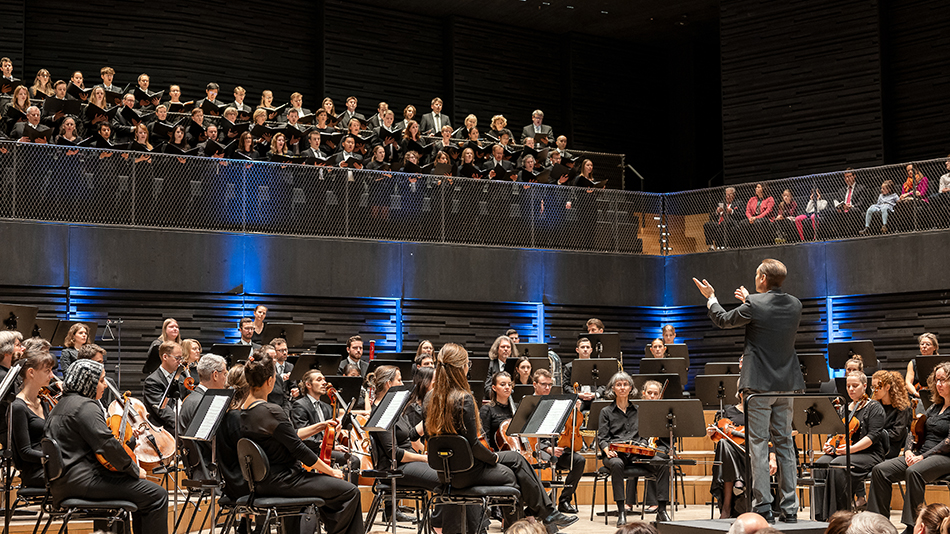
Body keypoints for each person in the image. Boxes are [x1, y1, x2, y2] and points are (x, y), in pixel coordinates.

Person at [693, 258, 803, 522]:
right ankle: (789, 509)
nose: (755, 278)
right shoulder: (795, 304)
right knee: (785, 444)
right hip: (786, 385)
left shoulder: (754, 303)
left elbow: (723, 319)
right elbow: (767, 315)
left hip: (759, 386)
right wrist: (750, 300)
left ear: (763, 278)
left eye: (757, 275)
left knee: (758, 446)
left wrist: (712, 298)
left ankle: (763, 505)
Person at [425, 343, 577, 533]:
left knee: (516, 458)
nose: (468, 368)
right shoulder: (463, 398)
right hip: (468, 473)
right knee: (514, 472)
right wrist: (494, 457)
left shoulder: (431, 398)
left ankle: (546, 514)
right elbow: (472, 445)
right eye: (467, 364)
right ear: (460, 368)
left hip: (445, 472)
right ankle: (544, 515)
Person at [239, 352, 363, 534]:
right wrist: (330, 471)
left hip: (262, 481)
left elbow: (289, 435)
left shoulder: (244, 411)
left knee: (334, 491)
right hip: (286, 480)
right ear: (270, 381)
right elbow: (299, 449)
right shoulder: (272, 411)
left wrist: (319, 426)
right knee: (350, 492)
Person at [44, 359, 168, 534]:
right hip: (84, 482)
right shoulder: (86, 406)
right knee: (157, 495)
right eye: (101, 380)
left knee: (146, 496)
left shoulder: (62, 405)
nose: (106, 386)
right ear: (88, 382)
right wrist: (133, 469)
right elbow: (108, 445)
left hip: (64, 482)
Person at [868, 361, 950, 534]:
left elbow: (948, 442)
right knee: (880, 470)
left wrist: (922, 457)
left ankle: (912, 526)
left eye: (943, 380)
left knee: (914, 472)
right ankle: (878, 524)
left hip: (944, 456)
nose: (938, 384)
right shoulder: (935, 407)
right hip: (921, 454)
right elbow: (913, 431)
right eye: (936, 380)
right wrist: (908, 451)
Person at [598, 371, 671, 525]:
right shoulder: (606, 412)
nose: (623, 387)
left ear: (631, 388)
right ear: (613, 388)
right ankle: (622, 512)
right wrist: (606, 450)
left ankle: (662, 510)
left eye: (626, 384)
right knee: (617, 464)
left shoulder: (639, 410)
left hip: (637, 454)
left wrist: (644, 445)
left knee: (663, 461)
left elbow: (644, 435)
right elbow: (602, 438)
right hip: (615, 454)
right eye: (619, 385)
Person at [813, 371, 884, 521]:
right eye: (848, 386)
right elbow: (834, 432)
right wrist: (829, 445)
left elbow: (873, 436)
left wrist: (850, 450)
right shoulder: (843, 408)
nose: (851, 389)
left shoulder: (874, 407)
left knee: (838, 465)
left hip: (869, 453)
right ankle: (820, 516)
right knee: (820, 465)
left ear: (865, 386)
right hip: (844, 451)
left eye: (855, 386)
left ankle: (839, 516)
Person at [707, 383, 777, 518]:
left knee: (724, 449)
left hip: (753, 453)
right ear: (740, 395)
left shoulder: (761, 413)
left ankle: (727, 506)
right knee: (723, 444)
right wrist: (711, 433)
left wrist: (772, 458)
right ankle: (731, 496)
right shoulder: (729, 411)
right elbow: (720, 433)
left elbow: (769, 437)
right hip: (732, 452)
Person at [290, 369, 360, 485]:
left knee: (350, 456)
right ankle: (348, 494)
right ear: (308, 385)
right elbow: (301, 435)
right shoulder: (300, 405)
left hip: (326, 449)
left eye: (324, 379)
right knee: (352, 461)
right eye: (319, 380)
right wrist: (324, 445)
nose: (324, 383)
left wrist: (334, 439)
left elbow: (330, 434)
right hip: (311, 451)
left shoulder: (327, 407)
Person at [532, 369, 585, 514]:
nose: (548, 388)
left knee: (579, 460)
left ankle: (564, 501)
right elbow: (526, 436)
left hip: (557, 449)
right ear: (534, 384)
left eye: (550, 385)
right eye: (544, 384)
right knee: (547, 460)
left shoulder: (556, 404)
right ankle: (542, 504)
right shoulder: (528, 405)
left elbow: (568, 427)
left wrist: (575, 412)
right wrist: (547, 448)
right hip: (537, 451)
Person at [11, 348, 56, 488]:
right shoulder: (18, 406)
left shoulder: (43, 402)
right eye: (47, 371)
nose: (52, 375)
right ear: (31, 372)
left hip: (50, 466)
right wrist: (57, 458)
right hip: (35, 472)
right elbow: (25, 452)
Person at [871, 370, 913, 461]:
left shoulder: (902, 408)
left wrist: (874, 435)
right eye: (872, 387)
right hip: (875, 443)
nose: (874, 391)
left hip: (891, 447)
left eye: (877, 387)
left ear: (887, 387)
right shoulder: (874, 405)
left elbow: (897, 434)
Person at [143, 340, 185, 431]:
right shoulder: (152, 381)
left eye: (181, 358)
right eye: (177, 358)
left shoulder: (180, 377)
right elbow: (162, 410)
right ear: (165, 357)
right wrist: (181, 425)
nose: (180, 362)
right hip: (165, 427)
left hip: (180, 422)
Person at [561, 337, 600, 410]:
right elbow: (565, 386)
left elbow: (603, 385)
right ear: (577, 350)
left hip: (594, 398)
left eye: (587, 347)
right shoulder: (569, 367)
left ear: (591, 350)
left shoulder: (598, 366)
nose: (585, 349)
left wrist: (595, 394)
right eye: (582, 347)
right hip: (578, 399)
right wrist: (578, 394)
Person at [905, 333, 938, 399]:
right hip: (917, 396)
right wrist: (916, 394)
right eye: (922, 344)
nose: (924, 346)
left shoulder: (940, 362)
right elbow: (908, 382)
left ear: (934, 347)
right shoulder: (913, 363)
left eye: (928, 344)